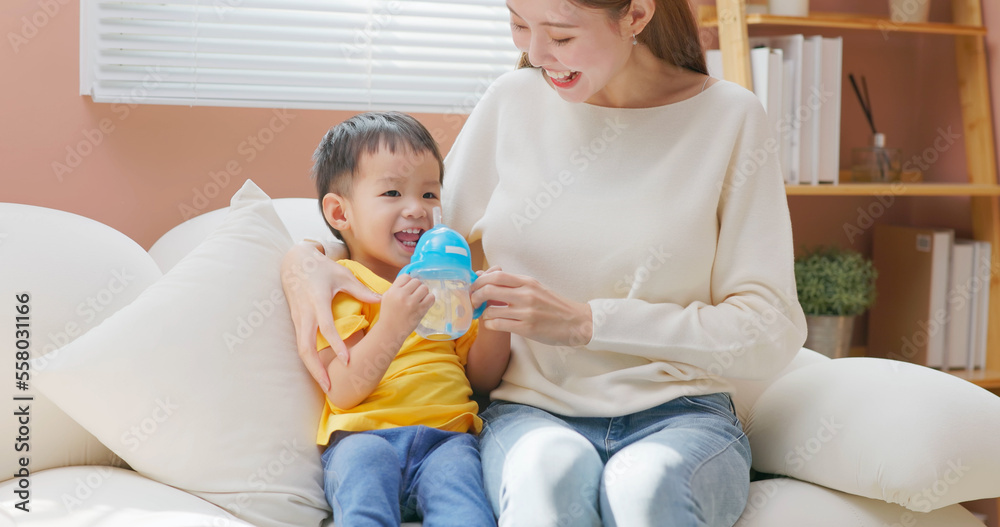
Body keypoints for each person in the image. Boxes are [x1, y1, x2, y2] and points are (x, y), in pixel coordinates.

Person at [281, 0, 808, 525]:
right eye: (518, 25)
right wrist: (308, 258)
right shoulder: (511, 103)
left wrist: (586, 322)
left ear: (637, 16)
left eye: (559, 35)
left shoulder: (730, 119)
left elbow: (770, 330)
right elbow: (420, 246)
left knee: (647, 488)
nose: (533, 53)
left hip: (682, 414)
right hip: (529, 413)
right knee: (546, 478)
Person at [306, 111, 509, 527]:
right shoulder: (346, 285)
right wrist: (393, 323)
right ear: (340, 214)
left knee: (466, 513)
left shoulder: (448, 282)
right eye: (393, 193)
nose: (416, 209)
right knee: (365, 500)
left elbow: (482, 379)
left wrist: (492, 320)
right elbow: (343, 391)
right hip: (364, 438)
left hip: (448, 438)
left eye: (430, 195)